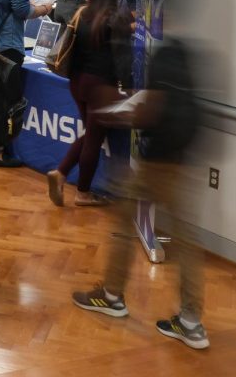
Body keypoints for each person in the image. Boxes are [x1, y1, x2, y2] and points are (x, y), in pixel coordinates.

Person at [71, 24, 208, 350]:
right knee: (187, 242)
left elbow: (152, 107)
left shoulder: (163, 58)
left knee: (122, 226)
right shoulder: (189, 56)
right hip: (183, 160)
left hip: (156, 163)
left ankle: (112, 296)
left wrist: (118, 113)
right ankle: (191, 322)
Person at [46, 0, 132, 208]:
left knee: (90, 134)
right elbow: (122, 60)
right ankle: (82, 192)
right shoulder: (116, 18)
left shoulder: (82, 13)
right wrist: (127, 88)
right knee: (94, 138)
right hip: (101, 86)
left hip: (77, 83)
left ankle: (61, 174)